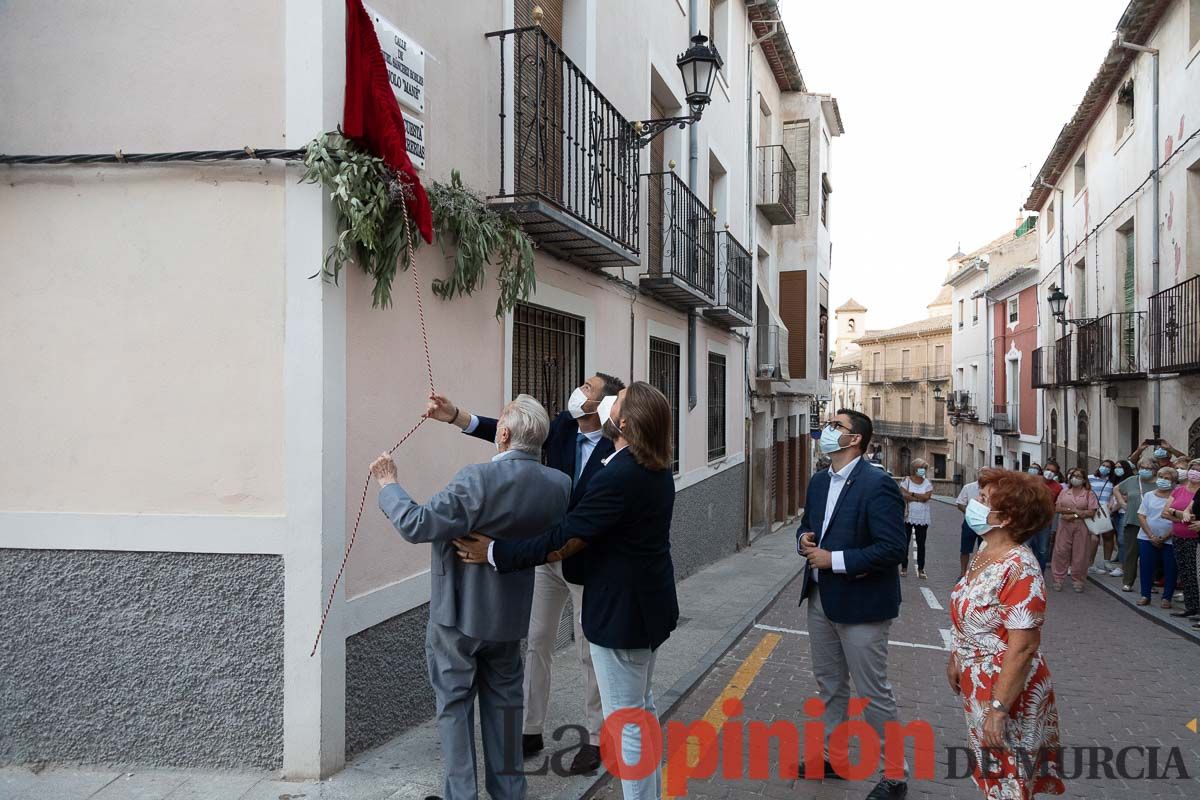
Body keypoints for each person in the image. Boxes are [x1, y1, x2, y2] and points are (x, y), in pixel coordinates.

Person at [453, 382, 678, 800]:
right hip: (648, 609)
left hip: (621, 615)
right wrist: (459, 417)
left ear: (624, 421)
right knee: (641, 713)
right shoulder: (654, 467)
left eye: (617, 398)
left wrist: (498, 552)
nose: (605, 400)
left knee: (627, 724)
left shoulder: (620, 476)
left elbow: (566, 538)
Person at [370, 395, 572, 800]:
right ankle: (509, 793)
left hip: (457, 615)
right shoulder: (559, 486)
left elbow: (416, 523)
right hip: (509, 616)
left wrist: (389, 484)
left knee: (455, 708)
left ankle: (461, 795)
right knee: (504, 710)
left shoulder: (476, 479)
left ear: (502, 434)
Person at [424, 372, 625, 773]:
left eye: (587, 388)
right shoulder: (564, 427)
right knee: (536, 641)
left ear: (603, 404)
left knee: (590, 651)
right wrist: (456, 416)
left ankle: (598, 735)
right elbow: (514, 437)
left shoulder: (616, 446)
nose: (578, 391)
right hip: (543, 557)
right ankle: (529, 729)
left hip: (588, 563)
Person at [796, 409, 908, 800]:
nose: (828, 430)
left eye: (836, 426)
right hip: (820, 598)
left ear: (855, 438)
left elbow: (893, 548)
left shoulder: (877, 484)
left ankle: (894, 775)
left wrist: (835, 560)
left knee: (872, 692)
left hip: (863, 604)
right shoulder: (818, 481)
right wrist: (804, 542)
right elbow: (808, 525)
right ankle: (834, 757)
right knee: (829, 685)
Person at [948, 468, 1065, 799]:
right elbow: (973, 615)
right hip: (978, 680)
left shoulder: (1020, 567)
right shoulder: (984, 553)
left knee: (1009, 779)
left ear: (1008, 517)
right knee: (992, 775)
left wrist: (999, 709)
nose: (975, 503)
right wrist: (957, 655)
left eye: (984, 500)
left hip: (1007, 687)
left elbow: (1024, 647)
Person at [1161, 458, 1200, 620]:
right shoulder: (1178, 490)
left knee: (1195, 574)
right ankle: (1191, 607)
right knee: (1184, 573)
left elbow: (1191, 515)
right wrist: (1182, 517)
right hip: (1178, 537)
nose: (1194, 472)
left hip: (1195, 539)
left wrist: (1176, 513)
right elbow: (1164, 512)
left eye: (1198, 470)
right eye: (1193, 468)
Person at [1135, 466, 1178, 608]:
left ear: (1173, 482)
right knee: (1146, 567)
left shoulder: (1176, 496)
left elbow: (1179, 519)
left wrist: (1165, 537)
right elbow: (1141, 515)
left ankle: (1167, 598)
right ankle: (1145, 595)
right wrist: (1151, 535)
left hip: (1170, 538)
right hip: (1147, 538)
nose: (1163, 480)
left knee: (1170, 568)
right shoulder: (1149, 495)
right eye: (1161, 477)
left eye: (1167, 478)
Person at [1051, 467, 1097, 593]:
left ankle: (1078, 579)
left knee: (1080, 553)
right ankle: (1058, 578)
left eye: (1079, 476)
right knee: (1061, 551)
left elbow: (1091, 512)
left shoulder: (1089, 494)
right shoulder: (1064, 492)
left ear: (1084, 479)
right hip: (1064, 525)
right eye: (1073, 476)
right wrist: (1072, 511)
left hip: (1081, 526)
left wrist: (1075, 515)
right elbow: (1057, 508)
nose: (1075, 478)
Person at [1114, 460, 1158, 591]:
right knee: (1131, 553)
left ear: (1155, 470)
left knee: (1150, 555)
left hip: (1152, 524)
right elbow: (1116, 489)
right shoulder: (1132, 480)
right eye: (1142, 467)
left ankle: (1150, 583)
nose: (1144, 470)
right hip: (1133, 521)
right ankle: (1128, 581)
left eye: (1148, 468)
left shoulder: (1159, 483)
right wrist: (1121, 502)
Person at [899, 459, 933, 579]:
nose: (922, 470)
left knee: (921, 544)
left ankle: (921, 568)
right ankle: (904, 567)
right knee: (905, 542)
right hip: (908, 516)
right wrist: (919, 497)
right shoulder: (906, 481)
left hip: (922, 517)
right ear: (915, 468)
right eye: (920, 467)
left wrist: (912, 495)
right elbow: (903, 495)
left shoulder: (927, 483)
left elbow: (926, 497)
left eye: (924, 468)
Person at [1086, 460, 1118, 575]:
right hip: (1092, 510)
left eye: (1108, 467)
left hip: (1106, 511)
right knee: (1094, 538)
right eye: (1103, 465)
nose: (1105, 468)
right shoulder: (1090, 478)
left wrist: (1111, 506)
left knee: (1108, 536)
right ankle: (1090, 564)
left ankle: (1107, 561)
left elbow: (1113, 495)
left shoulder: (1113, 481)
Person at [956, 478, 982, 578]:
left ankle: (978, 573)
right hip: (970, 522)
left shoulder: (993, 488)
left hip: (985, 523)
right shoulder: (968, 487)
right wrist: (969, 512)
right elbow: (960, 503)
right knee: (965, 549)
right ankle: (962, 572)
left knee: (983, 549)